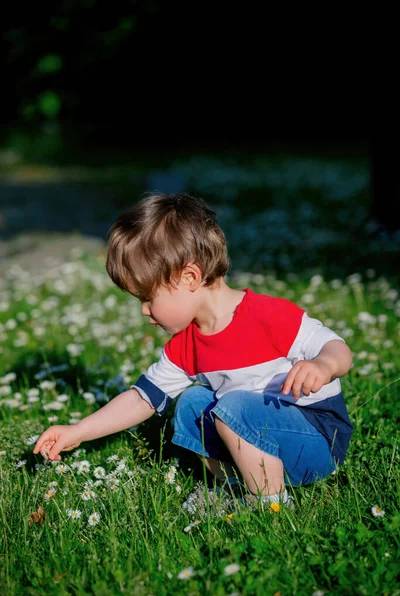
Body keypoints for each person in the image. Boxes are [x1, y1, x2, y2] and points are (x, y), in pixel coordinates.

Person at [34, 192, 354, 512]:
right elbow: (141, 399)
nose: (145, 312)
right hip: (259, 435)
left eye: (148, 298)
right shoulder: (185, 345)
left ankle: (269, 503)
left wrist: (324, 365)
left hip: (316, 441)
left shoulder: (267, 316)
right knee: (191, 403)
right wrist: (79, 431)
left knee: (233, 406)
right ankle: (235, 484)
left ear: (189, 277)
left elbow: (338, 349)